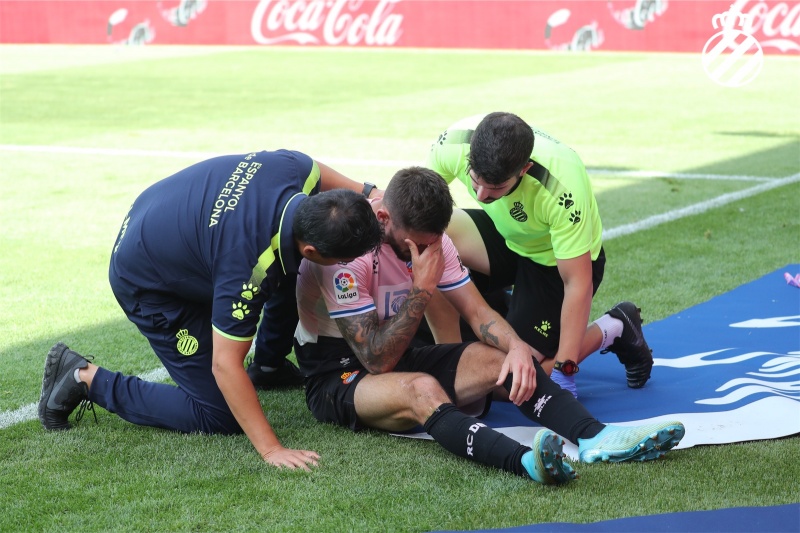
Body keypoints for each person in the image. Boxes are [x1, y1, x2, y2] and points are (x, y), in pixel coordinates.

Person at [293, 166, 684, 485]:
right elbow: (377, 361)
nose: (427, 252)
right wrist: (423, 287)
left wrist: (516, 348)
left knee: (501, 361)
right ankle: (527, 463)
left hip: (396, 346)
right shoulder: (345, 252)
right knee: (422, 389)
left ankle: (595, 436)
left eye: (433, 243)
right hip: (338, 374)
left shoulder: (432, 239)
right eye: (417, 246)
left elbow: (478, 314)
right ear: (384, 219)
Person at [38, 150, 383, 470]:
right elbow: (224, 364)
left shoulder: (294, 168)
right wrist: (271, 449)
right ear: (311, 249)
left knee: (290, 270)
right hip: (146, 278)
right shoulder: (248, 271)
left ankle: (268, 366)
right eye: (346, 259)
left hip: (158, 212)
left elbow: (319, 172)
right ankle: (83, 378)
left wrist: (370, 192)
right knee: (219, 413)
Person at [426, 112, 654, 398]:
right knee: (430, 232)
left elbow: (577, 284)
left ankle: (616, 326)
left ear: (524, 169)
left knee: (507, 381)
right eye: (474, 180)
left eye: (496, 188)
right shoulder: (452, 143)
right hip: (507, 234)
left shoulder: (562, 189)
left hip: (552, 263)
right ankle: (449, 362)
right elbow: (416, 207)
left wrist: (565, 370)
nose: (481, 195)